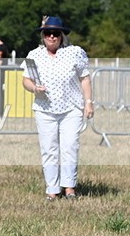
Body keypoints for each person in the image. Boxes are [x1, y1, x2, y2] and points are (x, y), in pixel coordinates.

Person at [22, 16, 94, 202]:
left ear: (62, 35)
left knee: (70, 147)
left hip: (71, 108)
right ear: (43, 35)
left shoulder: (75, 52)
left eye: (56, 33)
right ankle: (52, 189)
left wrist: (88, 102)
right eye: (48, 33)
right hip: (44, 109)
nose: (52, 36)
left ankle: (69, 188)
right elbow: (26, 80)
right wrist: (34, 88)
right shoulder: (34, 55)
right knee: (49, 149)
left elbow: (84, 78)